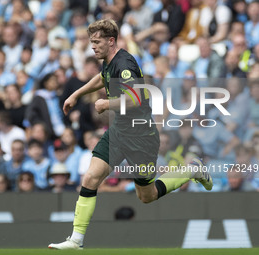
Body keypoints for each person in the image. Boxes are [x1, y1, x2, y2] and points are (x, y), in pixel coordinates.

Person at [48, 19, 213, 250]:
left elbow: (137, 98)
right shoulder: (108, 61)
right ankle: (76, 240)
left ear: (111, 40)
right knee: (90, 178)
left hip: (141, 138)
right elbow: (101, 78)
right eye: (91, 42)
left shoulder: (125, 64)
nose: (93, 47)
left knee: (147, 196)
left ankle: (192, 169)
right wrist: (77, 93)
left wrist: (107, 104)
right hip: (118, 133)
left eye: (96, 42)